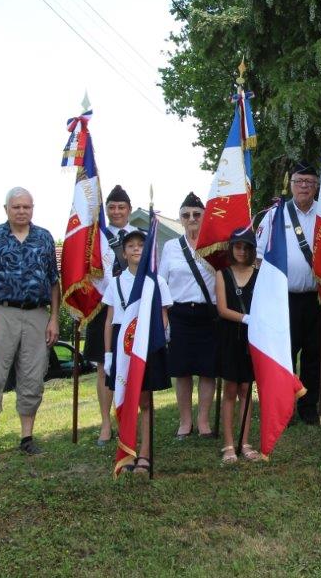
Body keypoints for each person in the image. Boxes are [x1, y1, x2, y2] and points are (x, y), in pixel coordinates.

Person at [0, 187, 61, 461]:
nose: (22, 211)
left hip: (37, 314)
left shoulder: (44, 238)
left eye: (27, 207)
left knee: (33, 376)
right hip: (1, 313)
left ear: (32, 208)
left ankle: (27, 437)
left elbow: (53, 281)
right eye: (17, 207)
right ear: (6, 209)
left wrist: (54, 319)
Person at [255, 161, 321, 425]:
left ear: (317, 186)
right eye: (299, 181)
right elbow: (258, 257)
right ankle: (285, 406)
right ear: (291, 184)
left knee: (313, 354)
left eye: (309, 182)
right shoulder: (275, 215)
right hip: (284, 300)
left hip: (317, 299)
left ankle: (309, 406)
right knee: (285, 354)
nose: (304, 186)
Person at [103, 229, 171, 475]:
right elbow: (110, 319)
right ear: (123, 252)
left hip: (146, 343)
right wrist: (108, 354)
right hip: (122, 344)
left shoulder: (157, 281)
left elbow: (163, 315)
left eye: (141, 245)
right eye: (130, 245)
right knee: (124, 395)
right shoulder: (116, 282)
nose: (135, 249)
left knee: (144, 400)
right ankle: (127, 449)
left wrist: (152, 341)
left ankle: (144, 452)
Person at [83, 184, 138, 447]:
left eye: (121, 207)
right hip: (102, 308)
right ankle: (106, 423)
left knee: (134, 363)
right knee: (105, 367)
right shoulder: (95, 238)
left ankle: (129, 419)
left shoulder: (141, 238)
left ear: (129, 209)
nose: (116, 212)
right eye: (112, 207)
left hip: (134, 309)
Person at [161, 192, 218, 438]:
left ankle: (203, 421)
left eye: (197, 214)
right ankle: (185, 422)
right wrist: (163, 318)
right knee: (182, 371)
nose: (192, 218)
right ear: (180, 219)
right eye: (186, 215)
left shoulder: (215, 244)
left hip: (209, 314)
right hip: (180, 314)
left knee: (207, 370)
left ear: (205, 217)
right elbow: (162, 284)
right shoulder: (171, 247)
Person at [214, 228, 261, 464]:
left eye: (246, 247)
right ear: (231, 248)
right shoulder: (222, 275)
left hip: (252, 340)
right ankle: (229, 444)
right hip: (230, 337)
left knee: (246, 389)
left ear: (252, 250)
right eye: (237, 246)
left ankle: (245, 442)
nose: (241, 251)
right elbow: (221, 309)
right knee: (230, 390)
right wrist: (244, 318)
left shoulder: (260, 274)